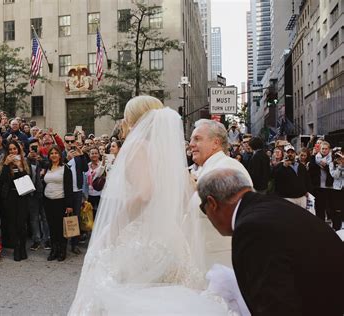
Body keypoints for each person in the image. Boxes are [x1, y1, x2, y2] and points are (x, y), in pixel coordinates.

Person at [69, 96, 233, 315]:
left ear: (133, 119)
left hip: (139, 237)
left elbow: (144, 194)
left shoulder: (137, 146)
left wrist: (117, 224)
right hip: (169, 238)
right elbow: (186, 199)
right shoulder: (168, 153)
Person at [197, 168, 344, 316]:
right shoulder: (272, 206)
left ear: (212, 203)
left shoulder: (251, 229)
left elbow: (274, 305)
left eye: (203, 209)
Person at [188, 119, 252, 269]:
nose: (191, 144)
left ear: (215, 143)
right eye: (191, 139)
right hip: (207, 259)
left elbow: (232, 213)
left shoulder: (228, 167)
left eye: (197, 139)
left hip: (222, 261)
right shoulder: (208, 168)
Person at [0, 140, 31, 261]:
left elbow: (27, 179)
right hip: (9, 196)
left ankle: (22, 247)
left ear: (18, 149)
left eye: (14, 149)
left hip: (22, 196)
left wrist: (20, 167)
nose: (12, 151)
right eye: (10, 150)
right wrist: (6, 165)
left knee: (22, 224)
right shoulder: (3, 163)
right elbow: (2, 180)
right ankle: (16, 248)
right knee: (12, 223)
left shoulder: (24, 161)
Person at [43, 146, 73, 262]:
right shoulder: (47, 167)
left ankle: (62, 251)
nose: (54, 155)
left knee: (61, 228)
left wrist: (69, 205)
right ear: (49, 156)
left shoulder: (65, 168)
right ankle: (54, 250)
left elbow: (69, 188)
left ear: (60, 155)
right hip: (48, 201)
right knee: (52, 227)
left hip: (61, 201)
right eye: (51, 153)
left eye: (56, 153)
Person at [63, 133, 88, 255]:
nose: (69, 144)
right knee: (63, 217)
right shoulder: (61, 154)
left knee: (76, 218)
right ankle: (62, 243)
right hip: (64, 191)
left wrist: (82, 155)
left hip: (77, 191)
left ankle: (74, 244)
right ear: (64, 142)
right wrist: (66, 160)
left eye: (71, 141)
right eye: (67, 141)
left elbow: (85, 169)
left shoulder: (79, 155)